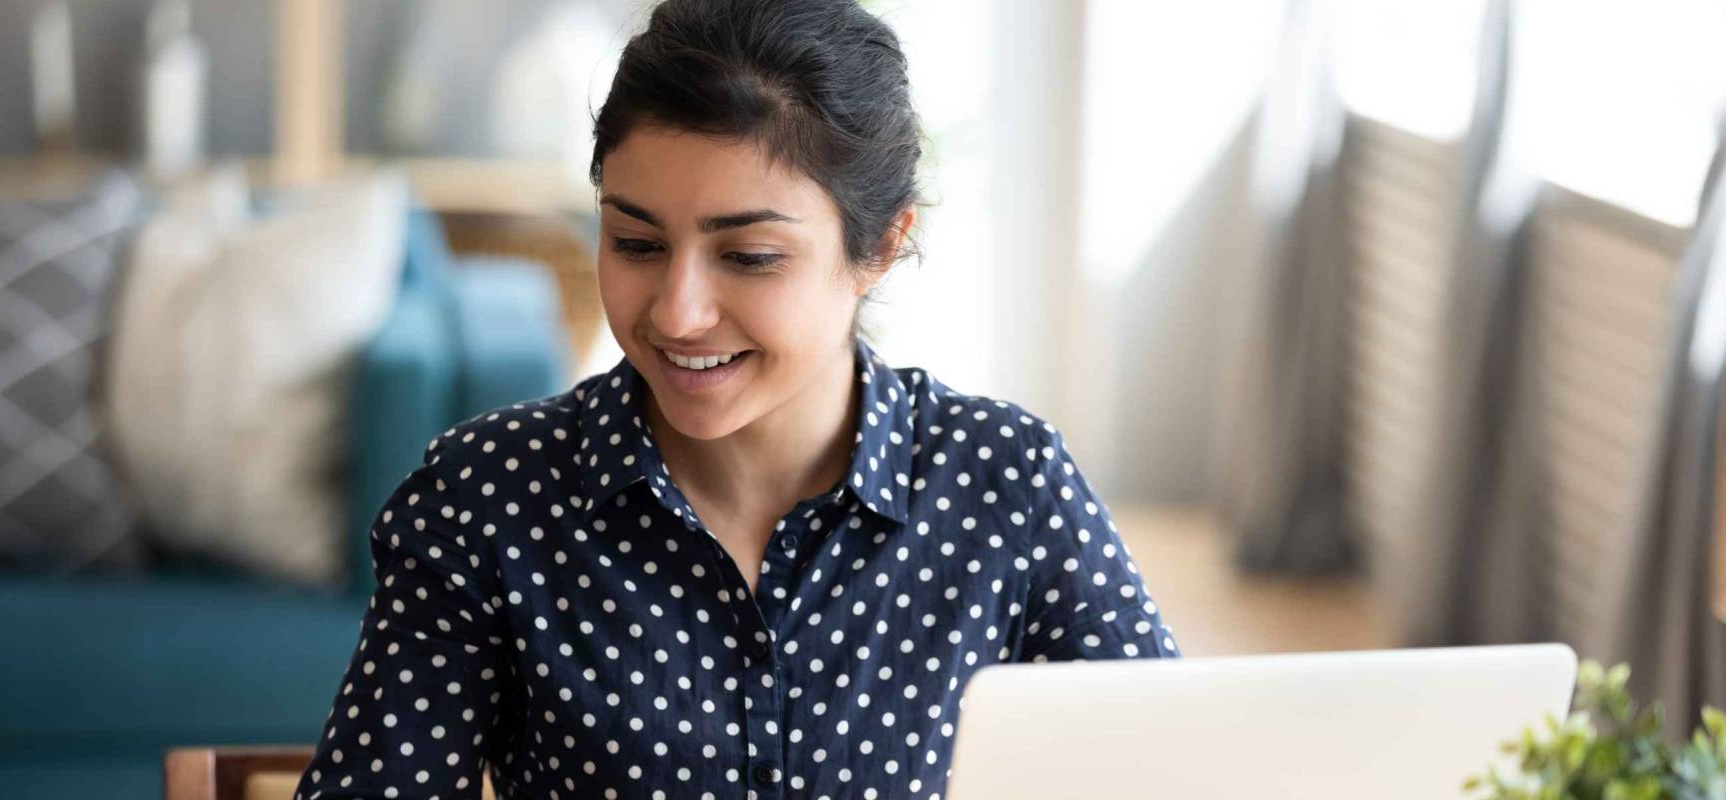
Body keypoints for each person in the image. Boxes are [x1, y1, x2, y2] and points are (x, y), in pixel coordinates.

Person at [296, 1, 1179, 797]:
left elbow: (1178, 766)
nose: (678, 314)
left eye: (749, 257)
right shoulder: (487, 496)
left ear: (881, 245)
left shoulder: (1008, 486)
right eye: (636, 243)